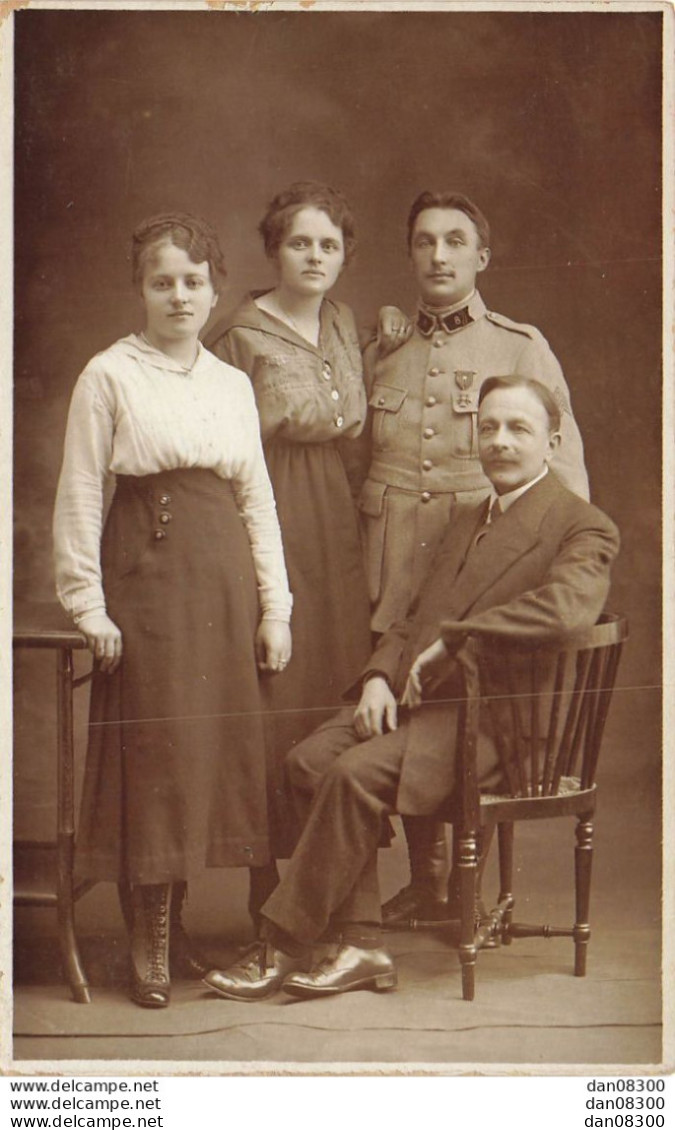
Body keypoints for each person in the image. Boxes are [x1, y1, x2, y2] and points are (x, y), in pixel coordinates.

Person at [203, 375, 619, 1002]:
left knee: (351, 775)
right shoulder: (468, 517)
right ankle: (361, 939)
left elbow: (566, 610)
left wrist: (457, 639)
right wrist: (376, 677)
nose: (500, 442)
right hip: (423, 703)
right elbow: (410, 615)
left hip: (500, 726)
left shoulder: (582, 527)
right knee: (307, 762)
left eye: (518, 429)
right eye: (489, 427)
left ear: (553, 442)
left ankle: (283, 943)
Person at [52, 212, 293, 1009]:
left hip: (222, 582)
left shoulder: (229, 383)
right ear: (141, 289)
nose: (179, 295)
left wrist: (275, 608)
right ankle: (146, 945)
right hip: (147, 577)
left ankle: (179, 928)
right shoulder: (109, 375)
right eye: (163, 281)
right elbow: (82, 495)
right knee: (155, 757)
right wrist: (89, 606)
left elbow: (255, 497)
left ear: (215, 287)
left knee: (203, 758)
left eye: (194, 281)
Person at [360, 191, 591, 925]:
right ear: (410, 256)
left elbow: (565, 475)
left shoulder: (519, 347)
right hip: (392, 560)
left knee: (465, 712)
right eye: (424, 242)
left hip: (483, 568)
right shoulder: (385, 346)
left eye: (454, 242)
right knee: (404, 711)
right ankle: (426, 883)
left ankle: (460, 887)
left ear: (479, 257)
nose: (438, 255)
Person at [205, 182, 373, 925]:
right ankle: (267, 903)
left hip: (336, 521)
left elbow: (356, 418)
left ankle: (338, 895)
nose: (314, 256)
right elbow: (222, 451)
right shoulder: (239, 335)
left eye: (328, 244)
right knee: (280, 703)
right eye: (300, 242)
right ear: (273, 249)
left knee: (335, 689)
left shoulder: (343, 321)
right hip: (271, 516)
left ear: (341, 258)